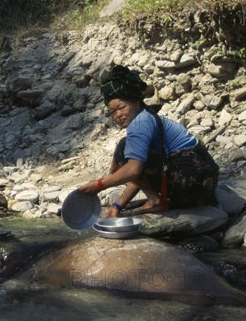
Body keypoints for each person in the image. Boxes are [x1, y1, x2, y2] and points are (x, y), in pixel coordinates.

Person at [78, 65, 219, 218]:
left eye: (121, 107)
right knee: (130, 151)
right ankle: (154, 199)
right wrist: (118, 205)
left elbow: (133, 171)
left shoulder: (139, 125)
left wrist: (100, 185)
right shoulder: (146, 115)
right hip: (205, 184)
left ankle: (154, 201)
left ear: (136, 102)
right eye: (112, 112)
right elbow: (140, 174)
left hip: (189, 183)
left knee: (123, 149)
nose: (118, 115)